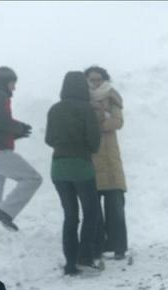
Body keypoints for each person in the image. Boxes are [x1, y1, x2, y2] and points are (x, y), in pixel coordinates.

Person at [0, 66, 43, 257]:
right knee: (33, 178)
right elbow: (3, 122)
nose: (14, 88)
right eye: (13, 83)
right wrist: (19, 128)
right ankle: (6, 211)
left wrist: (17, 133)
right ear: (5, 81)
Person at [45, 71, 103, 275]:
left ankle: (70, 264)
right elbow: (95, 142)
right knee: (91, 212)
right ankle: (85, 257)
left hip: (58, 168)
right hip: (81, 166)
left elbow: (49, 139)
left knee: (70, 216)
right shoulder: (86, 109)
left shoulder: (54, 109)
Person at [85, 66, 128, 260]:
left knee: (116, 206)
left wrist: (99, 121)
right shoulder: (82, 99)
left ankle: (119, 247)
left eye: (98, 79)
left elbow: (117, 122)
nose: (95, 83)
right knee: (94, 209)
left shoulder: (112, 96)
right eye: (91, 79)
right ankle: (98, 247)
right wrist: (104, 118)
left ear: (104, 79)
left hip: (110, 159)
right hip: (91, 158)